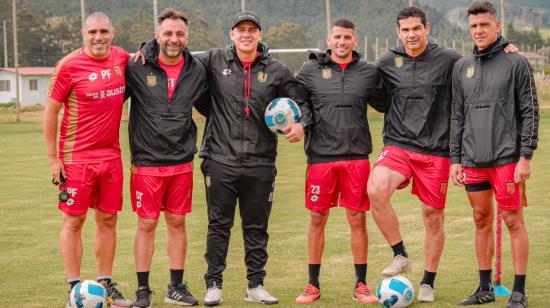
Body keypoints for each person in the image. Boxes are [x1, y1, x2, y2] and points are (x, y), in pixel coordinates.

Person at [196, 11, 306, 306]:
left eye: (252, 30)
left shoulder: (277, 71)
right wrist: (149, 50)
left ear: (260, 35)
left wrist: (299, 124)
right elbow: (179, 64)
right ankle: (214, 284)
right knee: (218, 225)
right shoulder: (213, 61)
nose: (246, 34)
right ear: (231, 34)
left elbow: (302, 103)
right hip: (220, 159)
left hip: (261, 162)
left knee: (256, 227)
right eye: (240, 29)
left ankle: (255, 285)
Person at [367, 7, 462, 303]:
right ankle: (400, 254)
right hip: (398, 144)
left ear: (427, 28)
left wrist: (506, 51)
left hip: (436, 150)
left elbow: (479, 69)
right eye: (405, 30)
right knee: (375, 190)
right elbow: (366, 84)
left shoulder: (449, 60)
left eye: (416, 29)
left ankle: (428, 282)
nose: (411, 34)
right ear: (398, 32)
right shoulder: (386, 61)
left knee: (433, 217)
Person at [450, 2, 539, 307]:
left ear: (497, 26)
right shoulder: (462, 67)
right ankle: (484, 288)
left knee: (513, 220)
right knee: (480, 219)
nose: (479, 31)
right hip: (473, 159)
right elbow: (457, 115)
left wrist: (525, 156)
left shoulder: (516, 62)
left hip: (507, 159)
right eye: (474, 26)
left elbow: (530, 111)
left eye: (484, 25)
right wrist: (456, 159)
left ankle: (519, 291)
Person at [293, 18, 386, 305]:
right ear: (329, 39)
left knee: (357, 219)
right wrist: (300, 123)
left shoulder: (369, 72)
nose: (342, 42)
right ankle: (312, 285)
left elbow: (388, 102)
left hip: (357, 157)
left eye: (347, 37)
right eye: (337, 37)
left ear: (355, 41)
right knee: (317, 218)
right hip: (320, 159)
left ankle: (361, 285)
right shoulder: (310, 70)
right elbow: (298, 102)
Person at [43, 12, 132, 307]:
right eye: (92, 31)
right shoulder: (68, 66)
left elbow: (144, 59)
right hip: (76, 157)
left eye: (104, 31)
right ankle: (74, 289)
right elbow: (51, 112)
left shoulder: (121, 58)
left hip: (111, 156)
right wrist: (53, 158)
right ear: (83, 33)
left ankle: (105, 286)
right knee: (74, 221)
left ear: (113, 32)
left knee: (108, 219)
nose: (98, 37)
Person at [125, 8, 209, 307]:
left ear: (187, 37)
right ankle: (143, 290)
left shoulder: (197, 70)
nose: (174, 39)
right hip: (147, 162)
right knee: (146, 224)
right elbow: (109, 99)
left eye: (180, 34)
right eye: (168, 33)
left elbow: (214, 106)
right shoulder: (136, 67)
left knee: (177, 222)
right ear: (157, 35)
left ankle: (176, 287)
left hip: (181, 161)